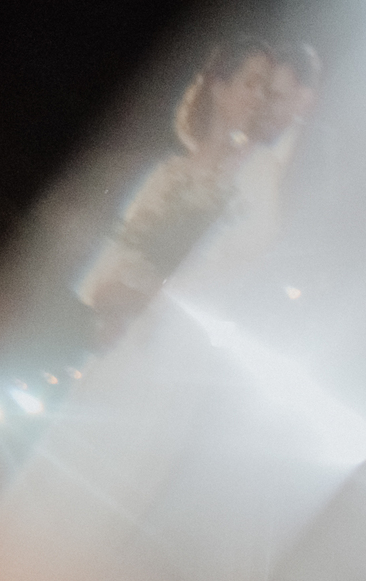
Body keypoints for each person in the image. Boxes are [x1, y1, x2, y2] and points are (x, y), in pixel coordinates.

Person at [76, 35, 274, 348]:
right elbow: (110, 263)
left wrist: (161, 294)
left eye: (265, 89)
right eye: (251, 84)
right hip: (125, 334)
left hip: (180, 342)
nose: (259, 97)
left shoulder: (246, 184)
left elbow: (232, 271)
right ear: (220, 89)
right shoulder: (167, 174)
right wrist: (121, 296)